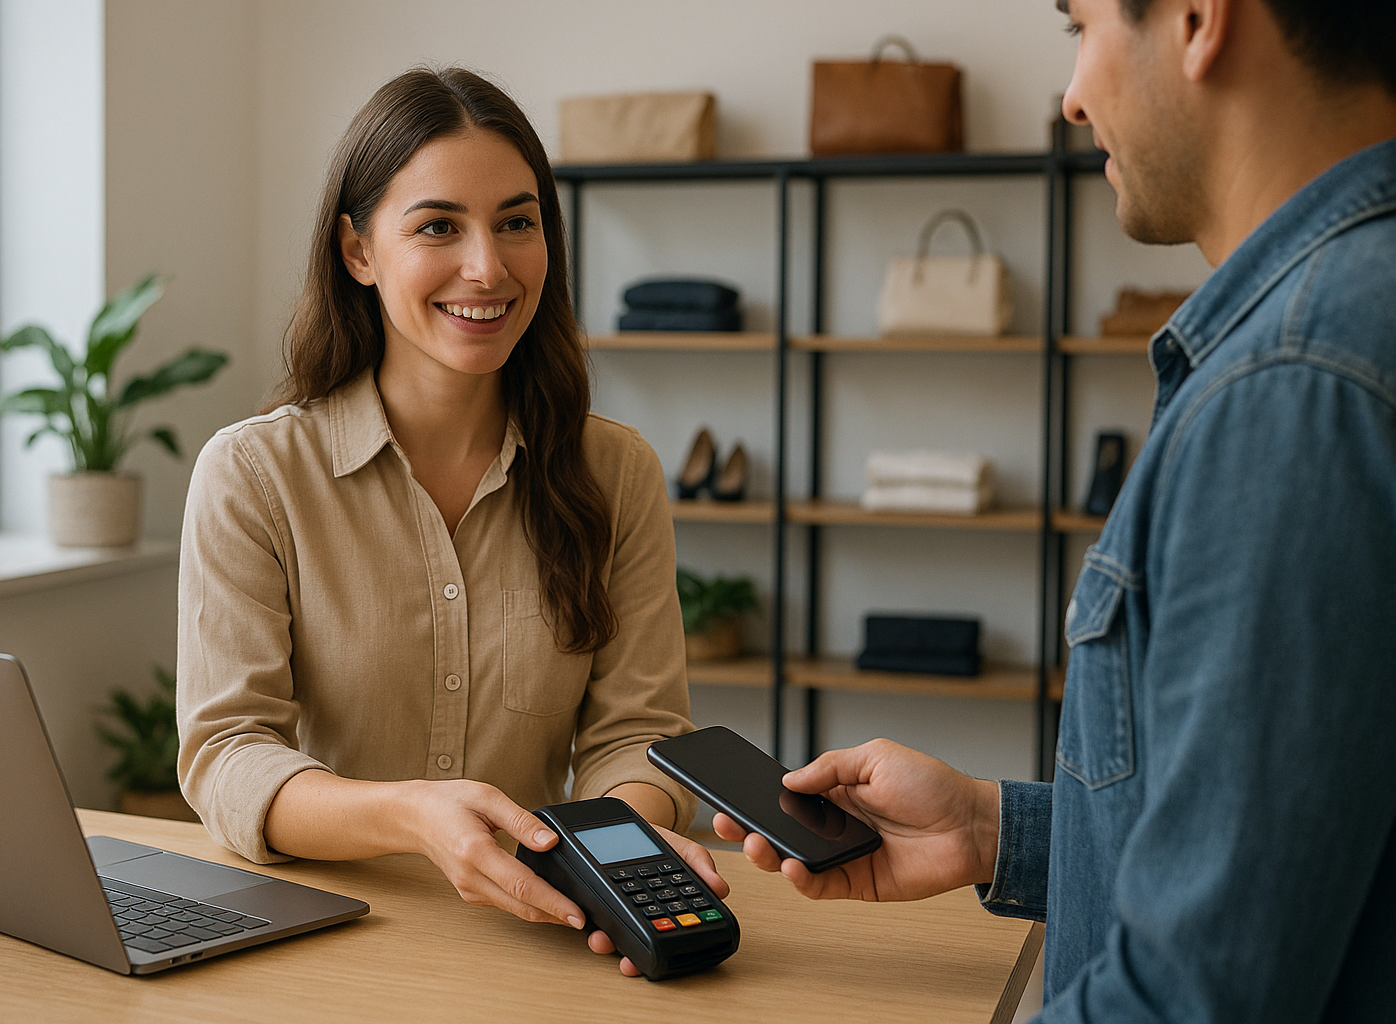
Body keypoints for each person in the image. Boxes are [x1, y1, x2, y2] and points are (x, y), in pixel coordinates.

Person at [717, 0, 1396, 1019]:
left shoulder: (1292, 384)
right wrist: (994, 830)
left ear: (1201, 18)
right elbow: (1301, 839)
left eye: (1081, 27)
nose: (1073, 97)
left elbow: (1194, 996)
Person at [175, 67, 725, 972]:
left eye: (518, 222)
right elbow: (228, 755)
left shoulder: (616, 472)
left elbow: (639, 733)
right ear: (358, 251)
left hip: (541, 936)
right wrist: (412, 818)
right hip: (319, 940)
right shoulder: (253, 476)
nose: (489, 267)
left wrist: (622, 849)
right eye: (438, 226)